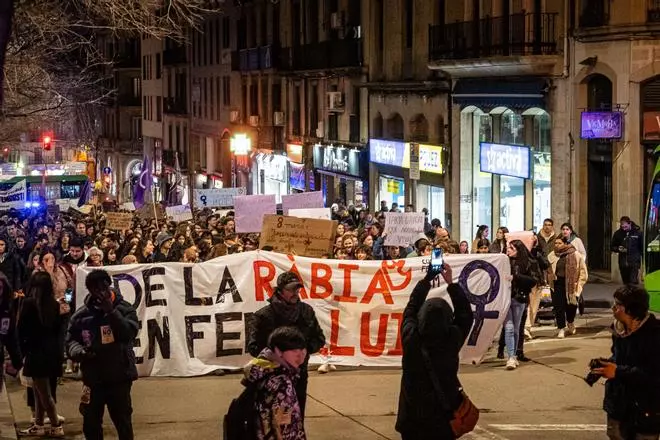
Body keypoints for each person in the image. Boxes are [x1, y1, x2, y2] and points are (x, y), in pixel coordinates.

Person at [396, 263, 474, 440]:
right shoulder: (451, 339)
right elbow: (465, 315)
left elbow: (411, 308)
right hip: (443, 419)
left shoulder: (411, 338)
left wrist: (426, 280)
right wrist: (451, 283)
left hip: (412, 419)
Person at [66, 269, 139, 440]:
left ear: (109, 287)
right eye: (96, 290)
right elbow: (70, 341)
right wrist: (80, 352)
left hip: (119, 376)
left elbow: (128, 333)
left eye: (103, 289)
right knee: (91, 423)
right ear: (90, 291)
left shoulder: (125, 309)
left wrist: (111, 312)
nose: (101, 293)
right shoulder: (82, 315)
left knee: (123, 422)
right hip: (94, 378)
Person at [247, 271, 326, 418]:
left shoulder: (306, 311)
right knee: (273, 420)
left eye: (297, 289)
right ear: (280, 291)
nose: (296, 293)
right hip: (272, 377)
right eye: (291, 289)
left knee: (297, 416)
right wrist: (279, 357)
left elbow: (319, 338)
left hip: (299, 375)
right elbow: (253, 346)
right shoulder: (263, 315)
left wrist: (302, 351)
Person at [590, 285, 660, 440]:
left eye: (618, 305)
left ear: (632, 310)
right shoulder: (618, 330)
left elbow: (653, 374)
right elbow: (618, 358)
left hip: (645, 408)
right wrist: (604, 365)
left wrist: (617, 371)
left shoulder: (654, 334)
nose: (613, 308)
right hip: (618, 406)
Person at [17, 272, 65, 437]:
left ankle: (55, 425)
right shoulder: (53, 304)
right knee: (39, 391)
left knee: (44, 394)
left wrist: (20, 353)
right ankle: (38, 423)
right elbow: (58, 330)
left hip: (35, 353)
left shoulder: (29, 303)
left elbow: (21, 330)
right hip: (51, 353)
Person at [244, 327, 308, 440]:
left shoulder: (263, 370)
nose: (300, 355)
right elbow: (284, 427)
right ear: (278, 351)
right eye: (294, 351)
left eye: (302, 349)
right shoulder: (281, 383)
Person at [504, 240, 541, 370]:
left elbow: (533, 281)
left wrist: (516, 277)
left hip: (519, 299)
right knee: (509, 327)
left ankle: (513, 354)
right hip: (505, 299)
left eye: (511, 248)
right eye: (508, 247)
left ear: (518, 250)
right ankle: (511, 357)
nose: (508, 250)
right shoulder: (504, 261)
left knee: (516, 328)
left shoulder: (528, 263)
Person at [548, 237, 588, 338]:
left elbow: (583, 273)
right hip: (556, 284)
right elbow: (548, 270)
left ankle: (570, 322)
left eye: (559, 243)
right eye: (555, 243)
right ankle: (561, 328)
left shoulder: (575, 254)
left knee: (571, 306)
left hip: (571, 285)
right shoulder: (552, 255)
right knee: (559, 307)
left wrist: (579, 286)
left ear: (565, 244)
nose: (557, 245)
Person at [611, 216, 644, 285]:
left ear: (629, 224)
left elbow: (642, 247)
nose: (624, 229)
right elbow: (612, 246)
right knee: (626, 283)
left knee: (633, 282)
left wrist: (642, 262)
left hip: (634, 262)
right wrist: (618, 249)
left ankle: (633, 293)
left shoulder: (638, 233)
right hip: (623, 263)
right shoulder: (618, 233)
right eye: (622, 227)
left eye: (625, 227)